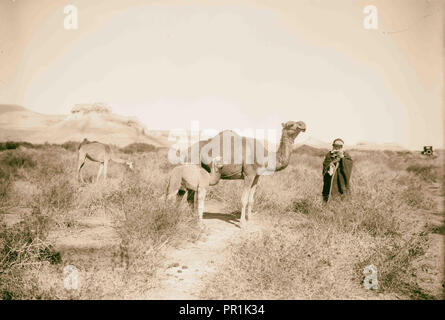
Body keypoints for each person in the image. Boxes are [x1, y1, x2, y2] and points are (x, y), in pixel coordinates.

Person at [322, 138, 353, 202]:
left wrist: (342, 158)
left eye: (340, 146)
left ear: (342, 147)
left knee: (341, 196)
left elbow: (349, 164)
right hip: (330, 180)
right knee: (329, 194)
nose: (337, 147)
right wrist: (330, 166)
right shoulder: (329, 155)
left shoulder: (345, 155)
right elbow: (325, 164)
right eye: (336, 145)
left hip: (341, 179)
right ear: (333, 146)